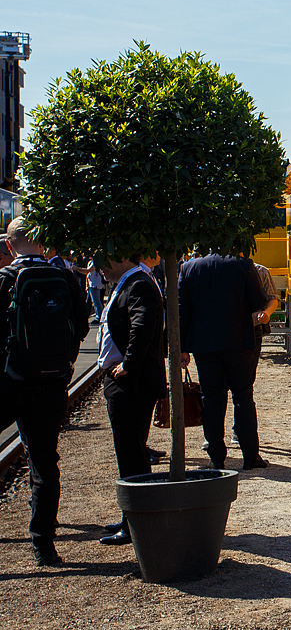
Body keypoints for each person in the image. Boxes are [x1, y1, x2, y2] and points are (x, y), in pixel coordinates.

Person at [0, 219, 89, 566]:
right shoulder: (66, 278)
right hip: (52, 382)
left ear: (9, 246)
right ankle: (44, 545)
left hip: (10, 380)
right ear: (43, 242)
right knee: (44, 460)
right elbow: (81, 327)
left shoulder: (6, 279)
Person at [96, 255, 166, 546]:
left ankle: (136, 521)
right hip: (127, 381)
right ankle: (132, 516)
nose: (98, 265)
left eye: (103, 258)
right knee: (130, 452)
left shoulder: (138, 284)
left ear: (122, 257)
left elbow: (143, 325)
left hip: (131, 383)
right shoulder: (131, 281)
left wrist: (128, 364)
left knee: (131, 453)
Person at [178, 253, 271, 470]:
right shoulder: (243, 265)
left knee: (211, 399)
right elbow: (257, 302)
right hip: (239, 341)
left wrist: (182, 348)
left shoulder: (189, 267)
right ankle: (250, 456)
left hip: (204, 344)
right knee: (243, 397)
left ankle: (217, 457)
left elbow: (183, 310)